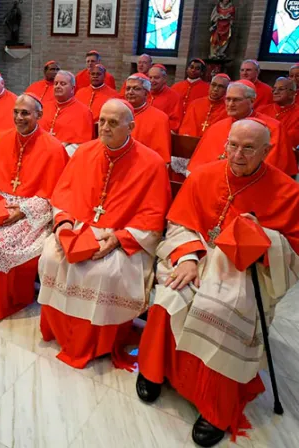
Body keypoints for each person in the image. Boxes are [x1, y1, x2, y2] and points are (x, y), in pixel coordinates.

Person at [136, 119, 299, 447]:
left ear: (267, 151)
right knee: (169, 296)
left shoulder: (288, 191)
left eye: (249, 148)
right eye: (233, 145)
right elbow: (179, 222)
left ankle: (215, 407)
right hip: (196, 256)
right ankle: (154, 371)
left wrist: (263, 238)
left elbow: (293, 251)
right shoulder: (205, 175)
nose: (238, 154)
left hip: (244, 269)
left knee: (223, 311)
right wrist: (187, 258)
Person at [38, 99, 171, 370]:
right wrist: (63, 224)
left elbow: (154, 216)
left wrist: (117, 239)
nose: (104, 128)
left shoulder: (152, 163)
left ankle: (98, 343)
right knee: (51, 257)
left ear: (131, 126)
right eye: (101, 121)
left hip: (123, 235)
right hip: (79, 227)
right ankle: (63, 335)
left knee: (105, 274)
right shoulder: (85, 152)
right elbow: (64, 193)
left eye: (113, 123)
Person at [0, 94, 68, 321]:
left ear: (39, 115)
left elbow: (53, 196)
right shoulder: (1, 140)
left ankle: (5, 302)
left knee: (3, 244)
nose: (19, 118)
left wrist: (22, 211)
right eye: (16, 112)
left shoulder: (54, 148)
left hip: (30, 212)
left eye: (25, 113)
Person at [187, 80, 298, 177]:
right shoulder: (216, 127)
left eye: (236, 100)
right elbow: (197, 167)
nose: (230, 104)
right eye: (228, 99)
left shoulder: (272, 128)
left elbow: (272, 169)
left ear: (252, 100)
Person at [38, 70, 94, 156]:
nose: (58, 86)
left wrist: (59, 151)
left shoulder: (84, 112)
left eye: (62, 84)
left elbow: (81, 145)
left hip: (65, 157)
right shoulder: (44, 107)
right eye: (56, 83)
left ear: (72, 88)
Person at [124, 73, 171, 163]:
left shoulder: (160, 118)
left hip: (143, 166)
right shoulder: (118, 112)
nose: (130, 92)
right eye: (128, 88)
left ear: (146, 93)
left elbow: (161, 157)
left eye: (136, 88)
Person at [258, 77, 299, 152]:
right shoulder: (261, 110)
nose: (275, 92)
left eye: (281, 89)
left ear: (292, 93)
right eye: (274, 89)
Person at [148, 64, 182, 131]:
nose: (152, 80)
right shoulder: (144, 92)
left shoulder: (174, 97)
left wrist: (155, 125)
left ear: (164, 79)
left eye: (156, 77)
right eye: (150, 77)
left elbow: (176, 123)